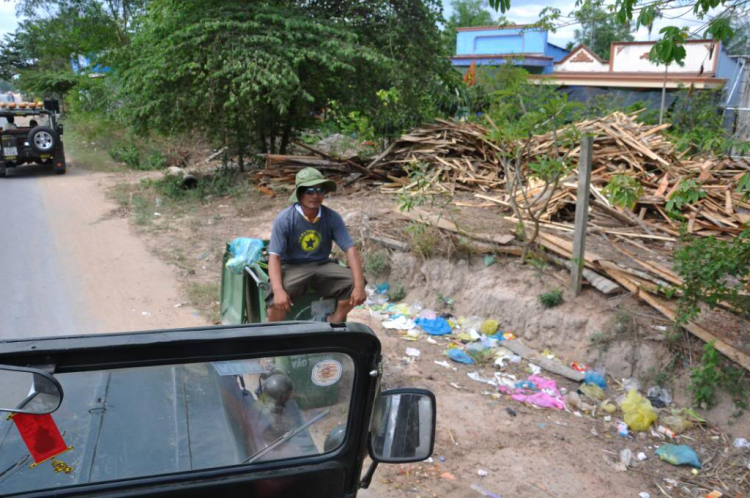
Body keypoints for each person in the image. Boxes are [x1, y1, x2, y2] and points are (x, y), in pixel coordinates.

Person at [266, 167, 366, 323]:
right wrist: (278, 290)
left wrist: (359, 286)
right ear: (299, 194)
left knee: (354, 282)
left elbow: (350, 249)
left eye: (319, 190)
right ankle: (275, 334)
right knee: (275, 298)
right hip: (292, 266)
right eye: (309, 191)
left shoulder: (331, 217)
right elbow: (275, 257)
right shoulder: (285, 219)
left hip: (322, 264)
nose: (315, 195)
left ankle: (335, 320)